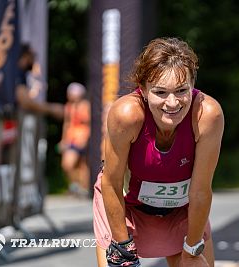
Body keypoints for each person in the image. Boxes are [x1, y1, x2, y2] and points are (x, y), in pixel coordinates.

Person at [93, 37, 224, 267]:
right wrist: (123, 248)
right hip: (127, 209)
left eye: (182, 90)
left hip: (180, 211)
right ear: (143, 90)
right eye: (161, 92)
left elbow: (201, 191)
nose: (172, 103)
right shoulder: (126, 115)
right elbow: (111, 184)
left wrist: (192, 251)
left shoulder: (207, 115)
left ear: (193, 85)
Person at [58, 82, 91, 197]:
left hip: (81, 138)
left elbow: (88, 124)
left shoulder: (85, 106)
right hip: (71, 139)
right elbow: (66, 124)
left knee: (81, 165)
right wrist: (63, 140)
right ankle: (76, 186)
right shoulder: (69, 107)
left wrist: (85, 139)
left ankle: (83, 188)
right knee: (68, 164)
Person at [15, 44, 63, 119]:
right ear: (26, 56)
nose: (34, 59)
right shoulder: (17, 72)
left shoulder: (19, 73)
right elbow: (25, 102)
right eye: (32, 55)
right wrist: (52, 109)